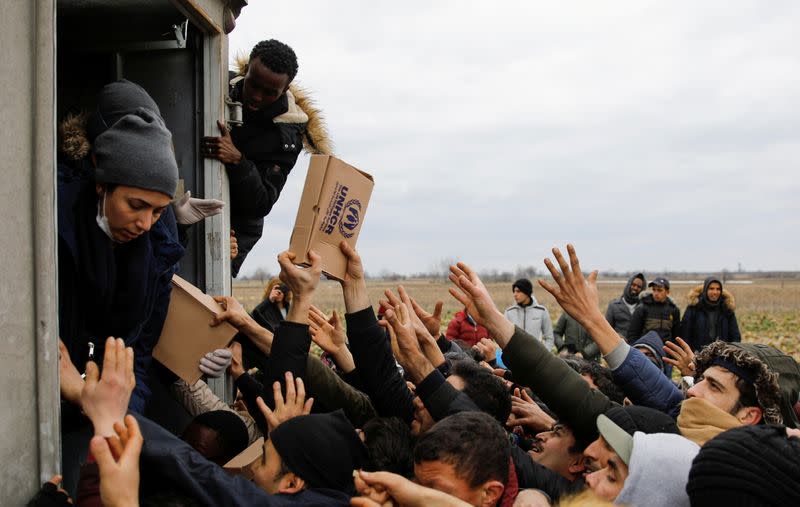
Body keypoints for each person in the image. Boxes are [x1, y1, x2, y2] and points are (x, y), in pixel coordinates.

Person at [200, 39, 331, 277]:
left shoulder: (287, 135)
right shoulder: (215, 82)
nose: (257, 97)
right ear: (247, 69)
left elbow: (262, 202)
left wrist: (237, 160)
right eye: (254, 85)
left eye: (270, 92)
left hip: (236, 229)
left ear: (286, 88)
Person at [681, 276, 741, 352]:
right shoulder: (694, 308)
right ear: (705, 290)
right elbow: (685, 334)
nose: (715, 292)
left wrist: (731, 353)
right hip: (697, 354)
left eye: (718, 289)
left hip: (722, 355)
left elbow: (735, 336)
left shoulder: (727, 309)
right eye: (711, 288)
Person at [625, 277, 681, 344]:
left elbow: (676, 335)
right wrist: (638, 349)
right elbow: (632, 333)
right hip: (646, 349)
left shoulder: (674, 310)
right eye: (654, 290)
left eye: (659, 290)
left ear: (667, 292)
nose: (656, 293)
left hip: (667, 350)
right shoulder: (642, 308)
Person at [504, 279, 554, 351]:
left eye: (518, 291)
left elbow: (549, 337)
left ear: (527, 292)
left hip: (536, 356)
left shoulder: (541, 311)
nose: (515, 294)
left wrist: (544, 356)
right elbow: (503, 337)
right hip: (514, 357)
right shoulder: (509, 312)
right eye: (514, 291)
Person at [604, 273, 645, 338]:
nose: (635, 288)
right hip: (618, 344)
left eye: (639, 287)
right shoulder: (614, 305)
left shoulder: (643, 307)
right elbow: (607, 329)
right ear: (629, 285)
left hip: (637, 345)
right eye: (633, 285)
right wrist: (618, 337)